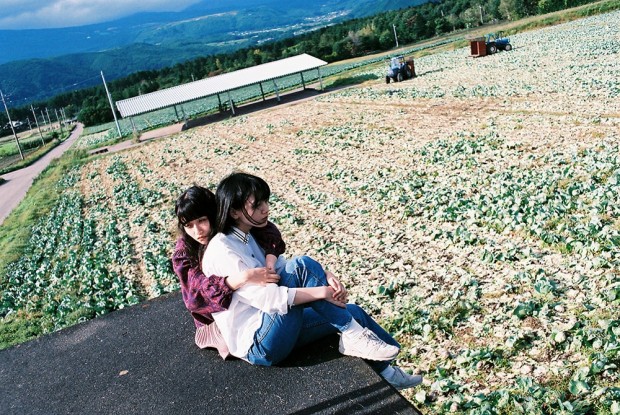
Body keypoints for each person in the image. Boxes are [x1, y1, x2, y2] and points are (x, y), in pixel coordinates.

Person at [199, 172, 423, 390]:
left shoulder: (248, 235)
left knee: (354, 313)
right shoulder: (223, 250)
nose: (266, 208)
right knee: (301, 266)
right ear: (236, 211)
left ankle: (388, 372)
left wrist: (325, 275)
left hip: (274, 325)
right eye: (257, 205)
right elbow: (270, 299)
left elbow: (280, 269)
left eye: (266, 201)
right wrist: (322, 292)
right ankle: (354, 336)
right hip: (259, 342)